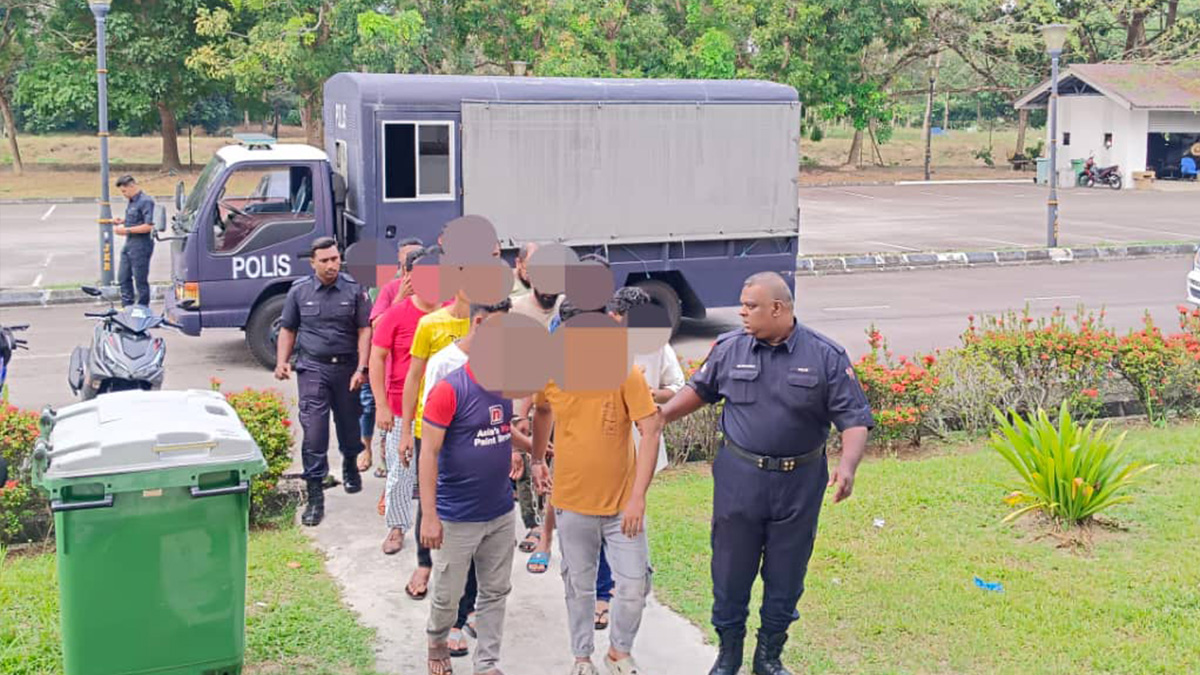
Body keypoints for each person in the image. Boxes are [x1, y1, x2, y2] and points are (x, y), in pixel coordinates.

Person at [659, 272, 874, 675]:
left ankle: (769, 657)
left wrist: (847, 467)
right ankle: (728, 655)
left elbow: (854, 418)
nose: (742, 312)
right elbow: (699, 391)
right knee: (730, 571)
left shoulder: (825, 355)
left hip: (799, 484)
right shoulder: (729, 348)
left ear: (778, 308)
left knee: (786, 574)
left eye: (751, 306)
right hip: (739, 479)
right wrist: (661, 417)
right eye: (743, 305)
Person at [530, 335, 663, 675]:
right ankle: (582, 657)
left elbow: (650, 430)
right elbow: (542, 409)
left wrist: (638, 497)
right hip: (572, 504)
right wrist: (537, 459)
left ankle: (618, 652)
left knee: (634, 584)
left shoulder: (625, 373)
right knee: (579, 586)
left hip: (622, 507)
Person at [419, 301, 525, 675]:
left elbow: (502, 428)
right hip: (457, 516)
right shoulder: (449, 389)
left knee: (495, 591)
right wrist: (429, 516)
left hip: (500, 511)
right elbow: (429, 452)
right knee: (448, 594)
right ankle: (437, 643)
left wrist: (533, 448)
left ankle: (488, 663)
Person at [592, 286, 685, 631]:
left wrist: (647, 393)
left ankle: (632, 575)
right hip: (602, 447)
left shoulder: (657, 345)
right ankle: (604, 591)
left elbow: (678, 386)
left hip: (640, 446)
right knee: (606, 516)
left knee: (630, 512)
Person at [275, 237, 372, 527]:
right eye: (325, 260)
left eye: (335, 259)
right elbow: (288, 328)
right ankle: (315, 496)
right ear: (313, 263)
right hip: (313, 368)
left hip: (346, 369)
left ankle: (350, 463)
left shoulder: (354, 290)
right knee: (314, 432)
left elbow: (364, 330)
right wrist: (282, 361)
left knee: (349, 424)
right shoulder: (299, 291)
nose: (332, 265)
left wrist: (362, 368)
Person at [370, 245, 436, 555]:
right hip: (400, 408)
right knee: (401, 469)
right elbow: (377, 358)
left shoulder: (452, 310)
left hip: (443, 409)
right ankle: (397, 527)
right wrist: (381, 405)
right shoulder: (396, 313)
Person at [366, 237, 426, 485]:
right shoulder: (390, 289)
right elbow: (376, 327)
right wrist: (399, 299)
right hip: (396, 388)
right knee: (399, 466)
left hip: (430, 396)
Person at [113, 175, 156, 307]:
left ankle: (143, 307)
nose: (123, 194)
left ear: (132, 186)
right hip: (130, 244)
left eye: (124, 191)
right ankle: (127, 307)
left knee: (140, 279)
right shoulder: (132, 202)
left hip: (141, 245)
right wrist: (123, 221)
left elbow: (149, 226)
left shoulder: (146, 201)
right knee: (123, 277)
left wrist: (126, 230)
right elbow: (136, 218)